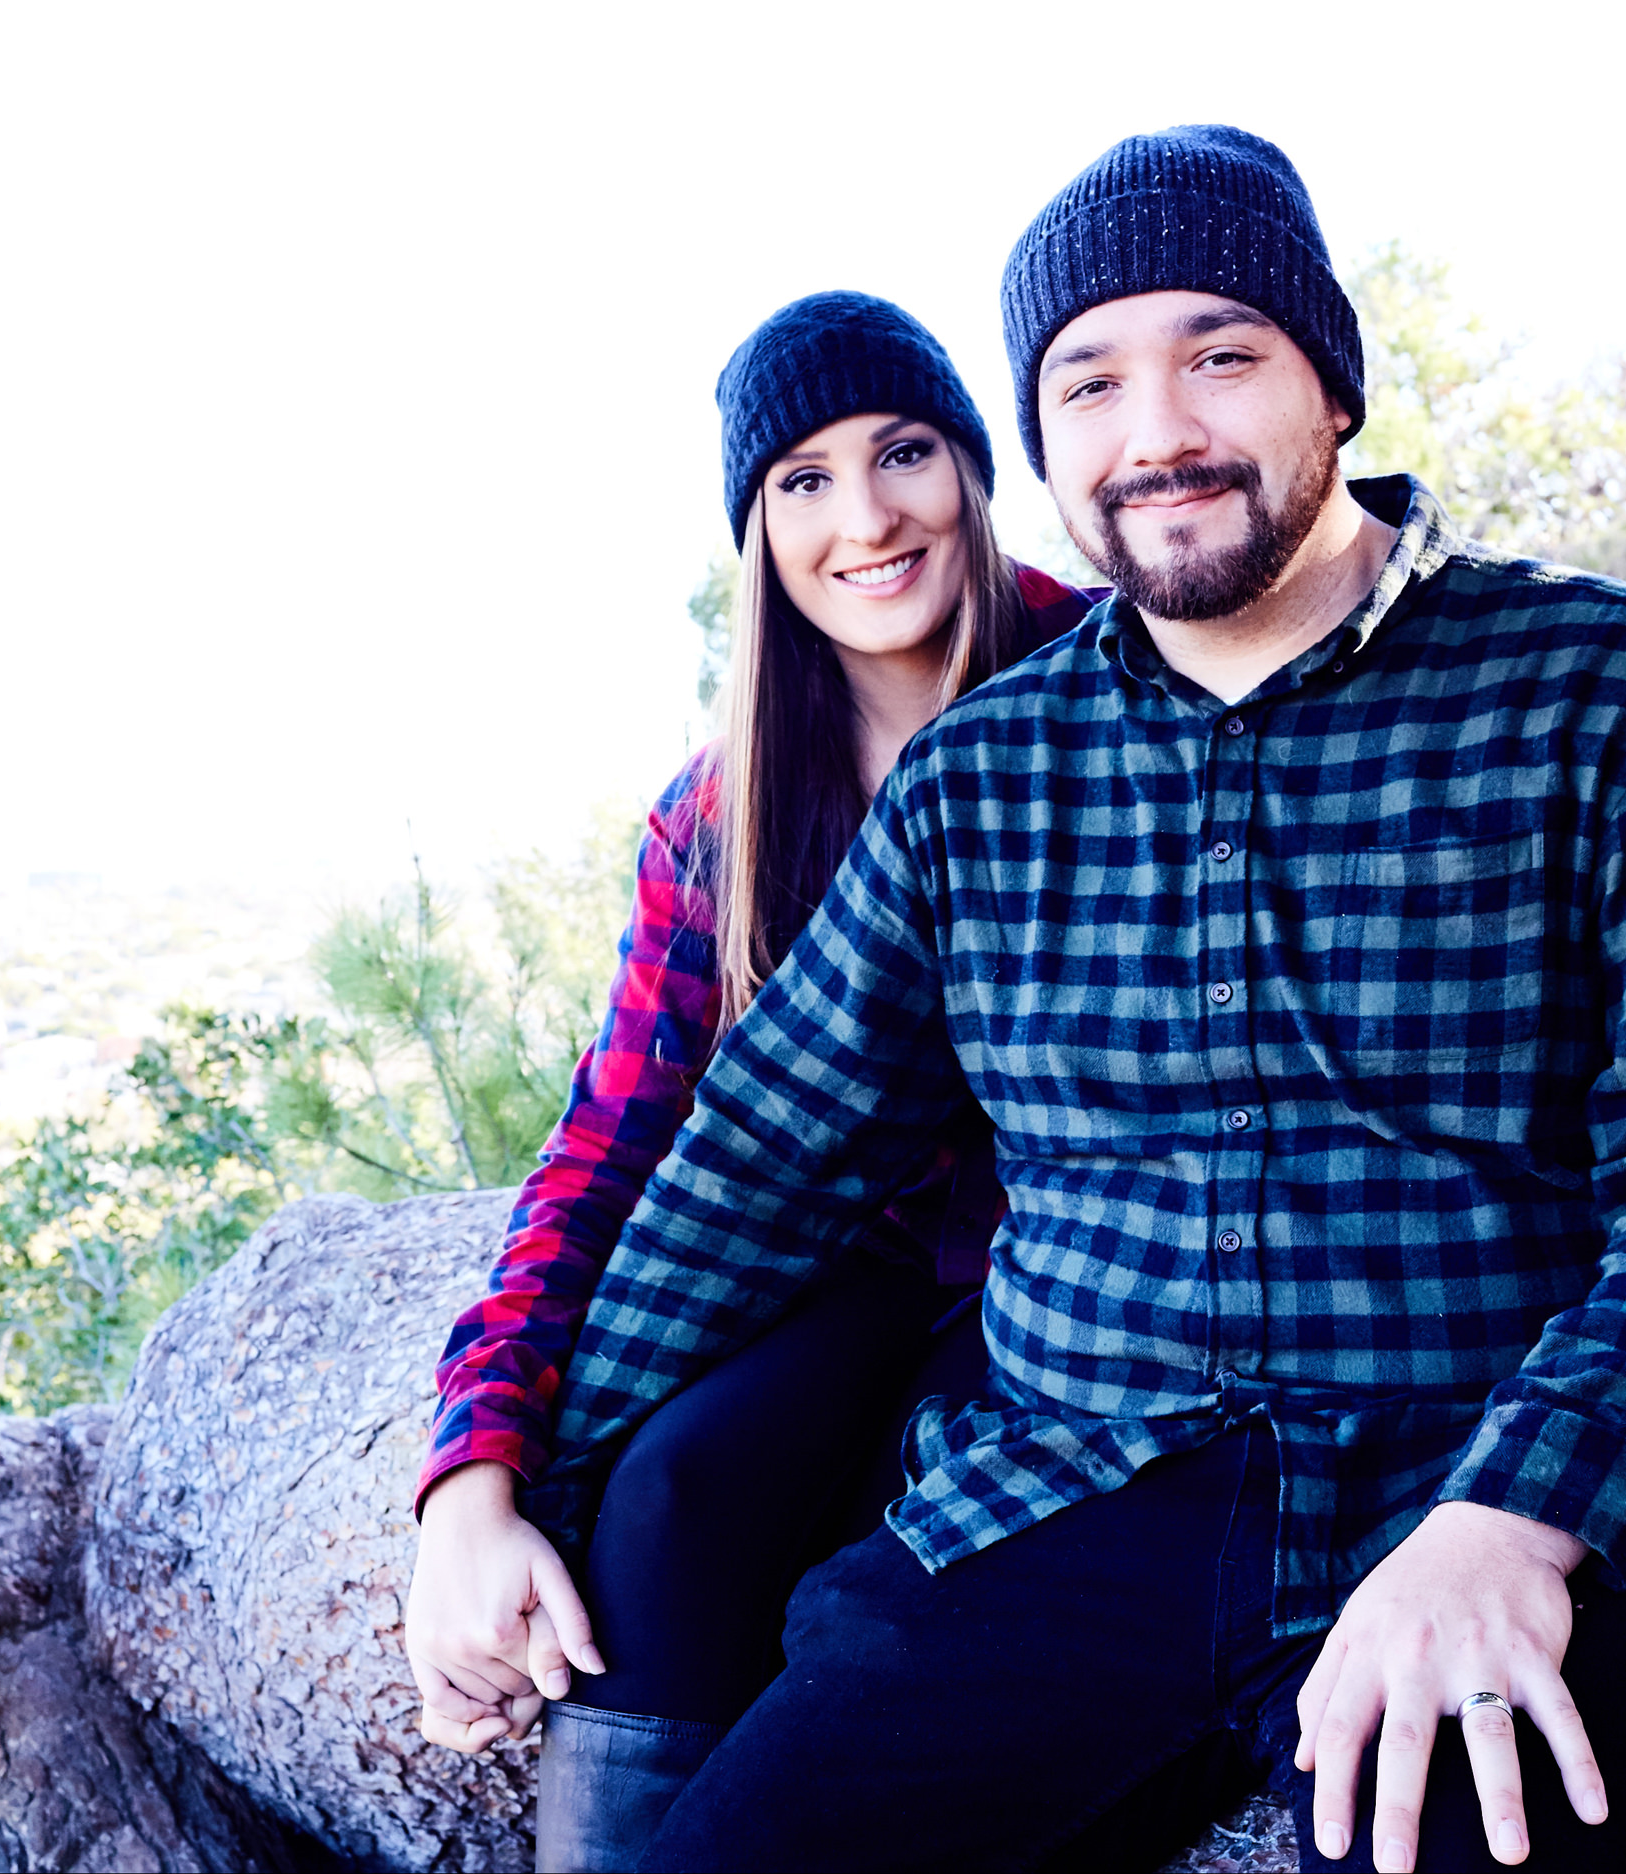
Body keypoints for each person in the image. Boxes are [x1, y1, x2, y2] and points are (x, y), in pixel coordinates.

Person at [520, 126, 1626, 1873]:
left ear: (1333, 387)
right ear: (1043, 440)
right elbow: (753, 1174)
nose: (1153, 430)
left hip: (1500, 1473)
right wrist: (506, 1482)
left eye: (1219, 355)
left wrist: (1530, 1505)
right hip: (1068, 1505)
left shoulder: (1611, 693)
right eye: (1087, 382)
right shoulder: (979, 785)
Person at [402, 291, 1096, 1868]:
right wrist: (470, 1471)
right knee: (674, 1490)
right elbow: (606, 1155)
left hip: (1084, 1266)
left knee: (917, 1540)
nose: (865, 518)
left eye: (904, 452)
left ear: (975, 468)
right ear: (756, 526)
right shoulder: (724, 814)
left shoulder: (1107, 683)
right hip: (852, 1267)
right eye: (803, 479)